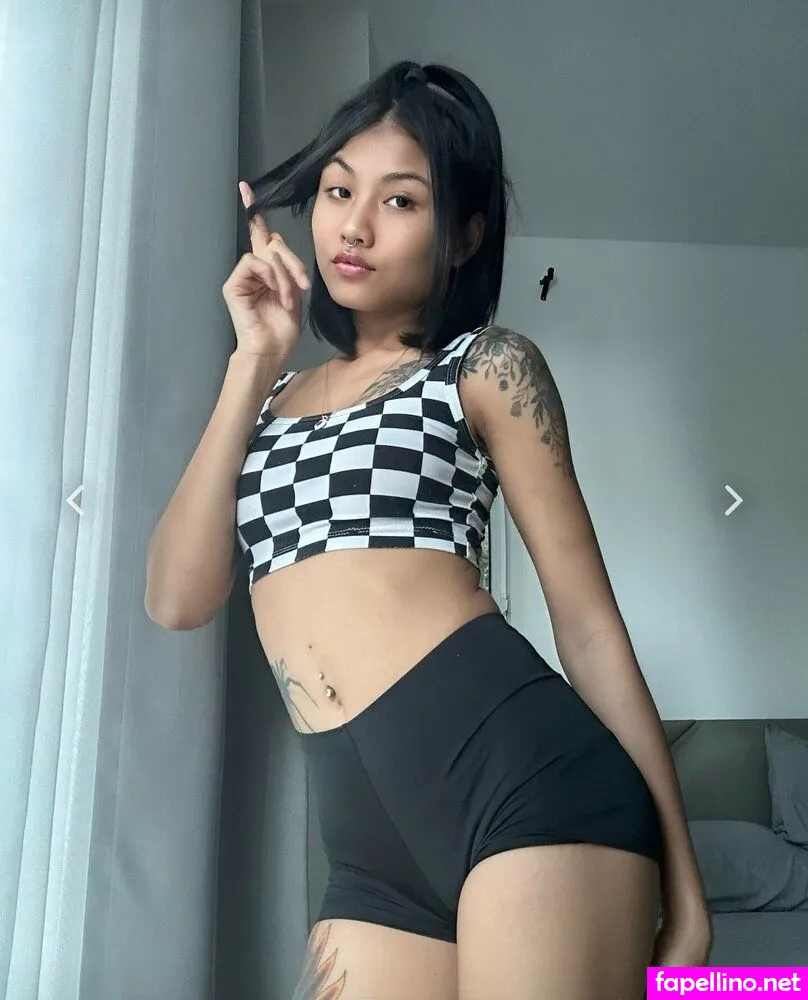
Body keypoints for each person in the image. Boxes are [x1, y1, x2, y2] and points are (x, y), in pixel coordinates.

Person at [146, 61, 711, 1000]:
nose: (355, 225)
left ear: (464, 235)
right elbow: (176, 598)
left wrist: (686, 889)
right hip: (370, 858)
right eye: (339, 192)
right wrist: (252, 361)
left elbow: (587, 626)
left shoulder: (482, 367)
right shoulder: (267, 400)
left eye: (400, 200)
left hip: (526, 790)